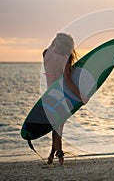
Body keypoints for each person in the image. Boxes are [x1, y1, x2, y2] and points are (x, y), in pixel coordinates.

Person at [43, 33, 88, 165]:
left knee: (56, 126)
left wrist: (56, 38)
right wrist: (81, 97)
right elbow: (69, 82)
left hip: (48, 95)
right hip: (61, 96)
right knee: (58, 128)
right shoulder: (64, 60)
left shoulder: (46, 53)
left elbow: (51, 46)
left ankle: (51, 155)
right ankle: (60, 156)